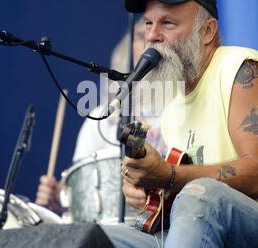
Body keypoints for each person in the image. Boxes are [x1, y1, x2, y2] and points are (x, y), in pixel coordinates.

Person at [100, 0, 258, 248]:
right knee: (102, 239)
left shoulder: (242, 69)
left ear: (207, 31)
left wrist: (168, 174)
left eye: (167, 23)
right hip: (214, 234)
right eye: (148, 24)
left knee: (202, 196)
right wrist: (152, 189)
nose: (151, 36)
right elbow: (188, 205)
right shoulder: (173, 106)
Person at [35, 19, 167, 215]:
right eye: (141, 36)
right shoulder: (101, 118)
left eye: (158, 37)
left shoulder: (183, 110)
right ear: (127, 50)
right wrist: (59, 201)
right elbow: (82, 187)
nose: (149, 41)